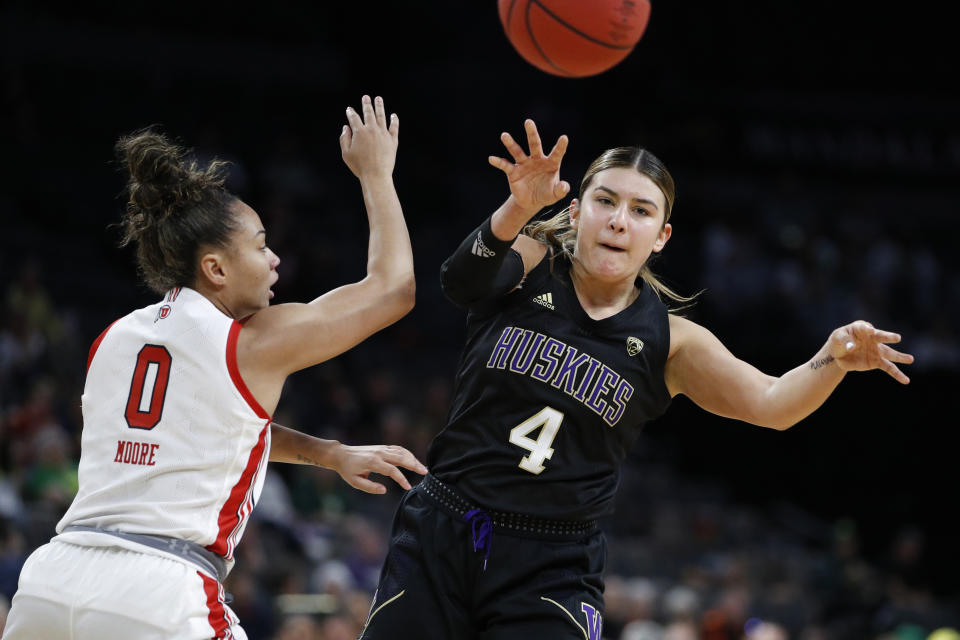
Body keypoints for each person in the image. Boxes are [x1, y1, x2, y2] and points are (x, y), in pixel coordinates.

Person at [358, 119, 914, 640]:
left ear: (662, 236)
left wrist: (831, 360)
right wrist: (515, 209)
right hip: (443, 527)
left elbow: (772, 403)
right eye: (605, 201)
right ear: (576, 212)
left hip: (550, 561)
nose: (619, 220)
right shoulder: (531, 261)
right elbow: (460, 282)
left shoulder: (671, 340)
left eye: (641, 211)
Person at [2, 95, 426, 639]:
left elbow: (213, 427)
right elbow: (393, 290)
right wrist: (376, 174)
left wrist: (327, 452)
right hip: (159, 591)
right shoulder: (247, 342)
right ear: (216, 268)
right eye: (261, 245)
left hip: (51, 582)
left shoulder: (114, 337)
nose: (274, 259)